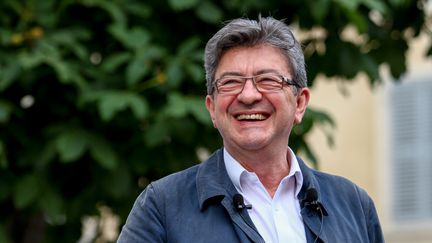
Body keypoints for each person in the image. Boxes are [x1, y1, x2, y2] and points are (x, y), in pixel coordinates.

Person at [117, 15, 384, 243]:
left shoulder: (354, 205)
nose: (248, 95)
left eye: (267, 80)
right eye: (231, 82)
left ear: (300, 103)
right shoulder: (162, 206)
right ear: (212, 107)